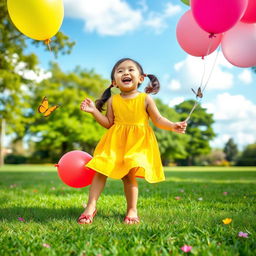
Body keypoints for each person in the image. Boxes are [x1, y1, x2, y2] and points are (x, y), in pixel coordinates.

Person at [79, 58, 187, 224]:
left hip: (136, 144)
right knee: (100, 168)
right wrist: (94, 111)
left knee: (129, 175)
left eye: (130, 70)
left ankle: (132, 209)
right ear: (114, 82)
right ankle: (91, 207)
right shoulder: (112, 100)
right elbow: (109, 123)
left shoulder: (145, 98)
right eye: (120, 71)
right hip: (114, 142)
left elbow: (157, 119)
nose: (126, 73)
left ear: (141, 78)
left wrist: (172, 126)